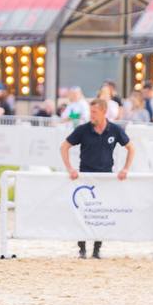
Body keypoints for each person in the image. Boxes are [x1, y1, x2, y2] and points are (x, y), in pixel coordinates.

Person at [60, 97, 135, 259]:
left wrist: (126, 169)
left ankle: (97, 249)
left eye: (94, 112)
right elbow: (64, 147)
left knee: (101, 213)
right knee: (83, 213)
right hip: (84, 178)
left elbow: (131, 148)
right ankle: (82, 248)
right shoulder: (83, 129)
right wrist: (70, 169)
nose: (91, 115)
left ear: (103, 112)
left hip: (105, 177)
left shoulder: (115, 130)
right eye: (90, 112)